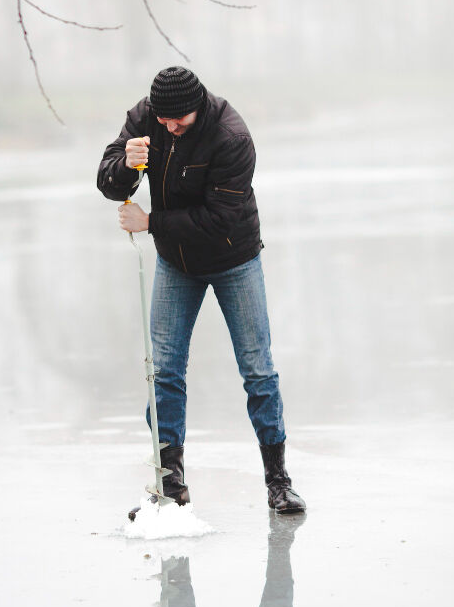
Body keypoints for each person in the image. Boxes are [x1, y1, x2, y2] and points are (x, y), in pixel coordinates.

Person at [97, 66, 305, 517]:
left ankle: (279, 482)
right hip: (177, 262)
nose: (170, 128)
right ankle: (169, 482)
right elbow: (108, 184)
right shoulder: (146, 118)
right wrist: (125, 164)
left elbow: (219, 220)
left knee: (257, 368)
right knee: (165, 370)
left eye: (180, 122)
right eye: (164, 120)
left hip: (234, 258)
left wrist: (150, 223)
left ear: (198, 106)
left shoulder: (231, 136)